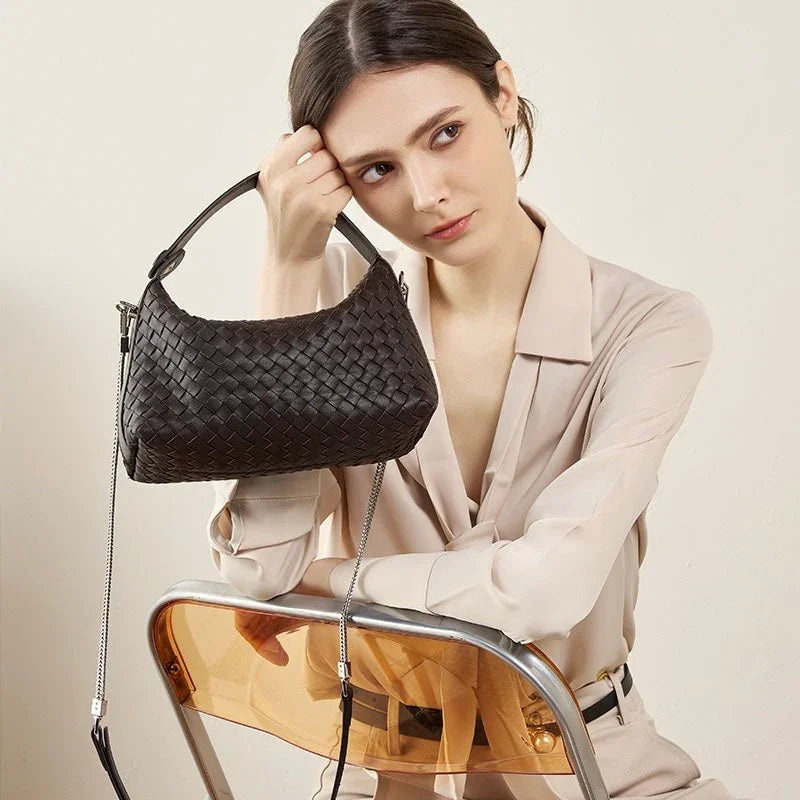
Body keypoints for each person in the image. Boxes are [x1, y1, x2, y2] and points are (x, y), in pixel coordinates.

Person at [206, 2, 746, 799]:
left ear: (503, 94)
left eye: (445, 133)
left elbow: (546, 589)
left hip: (591, 768)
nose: (427, 194)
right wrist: (289, 263)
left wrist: (331, 585)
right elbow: (256, 575)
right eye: (378, 169)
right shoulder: (339, 316)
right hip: (386, 773)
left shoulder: (650, 326)